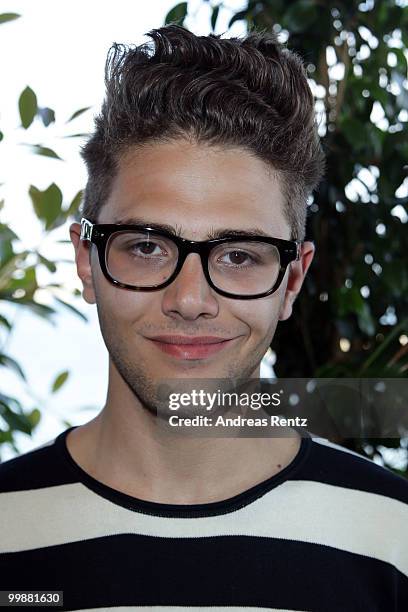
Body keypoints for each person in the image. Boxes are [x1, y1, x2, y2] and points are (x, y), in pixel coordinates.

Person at [1, 24, 407, 611]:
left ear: (291, 281)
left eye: (239, 255)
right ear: (87, 261)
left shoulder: (392, 540)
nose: (190, 299)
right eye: (146, 246)